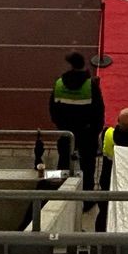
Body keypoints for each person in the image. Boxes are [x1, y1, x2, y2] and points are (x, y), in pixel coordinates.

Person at [47, 53, 105, 191]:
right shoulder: (90, 86)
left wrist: (60, 126)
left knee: (63, 163)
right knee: (88, 168)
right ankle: (87, 198)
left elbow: (52, 109)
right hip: (87, 134)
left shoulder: (60, 84)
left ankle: (61, 192)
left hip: (66, 132)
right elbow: (99, 111)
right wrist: (95, 131)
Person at [96, 109, 128, 230]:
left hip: (108, 178)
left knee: (104, 211)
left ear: (117, 121)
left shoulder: (107, 133)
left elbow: (101, 147)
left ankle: (99, 236)